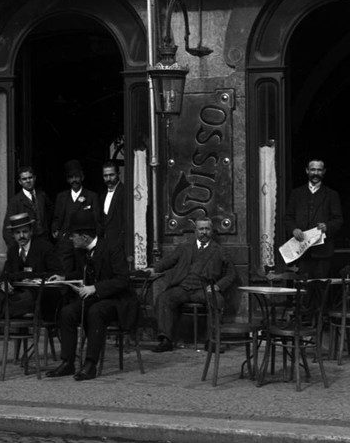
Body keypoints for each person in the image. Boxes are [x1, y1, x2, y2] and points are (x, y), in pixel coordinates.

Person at [0, 211, 65, 367]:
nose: (21, 236)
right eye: (17, 233)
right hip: (15, 296)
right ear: (13, 235)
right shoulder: (13, 250)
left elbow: (57, 272)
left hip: (37, 298)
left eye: (24, 232)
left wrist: (31, 277)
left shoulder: (44, 248)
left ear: (31, 231)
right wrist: (5, 285)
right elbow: (5, 276)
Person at [49, 214, 136, 381]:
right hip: (96, 298)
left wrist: (95, 288)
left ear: (84, 237)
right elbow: (81, 274)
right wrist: (64, 278)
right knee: (67, 312)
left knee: (95, 312)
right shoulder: (82, 251)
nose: (71, 240)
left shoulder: (113, 247)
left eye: (73, 236)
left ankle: (90, 364)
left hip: (117, 301)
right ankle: (67, 362)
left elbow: (122, 280)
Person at [146, 216, 235, 353]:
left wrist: (217, 286)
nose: (204, 232)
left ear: (212, 231)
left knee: (217, 301)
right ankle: (166, 340)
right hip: (183, 287)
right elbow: (169, 261)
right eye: (201, 229)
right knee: (164, 299)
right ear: (195, 231)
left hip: (204, 289)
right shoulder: (185, 247)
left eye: (207, 229)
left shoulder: (219, 251)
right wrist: (154, 269)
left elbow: (231, 274)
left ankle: (210, 341)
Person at [285, 158, 344, 281]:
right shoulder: (296, 194)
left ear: (324, 172)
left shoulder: (332, 195)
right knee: (303, 290)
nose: (315, 173)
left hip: (323, 252)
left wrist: (327, 226)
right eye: (313, 170)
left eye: (319, 170)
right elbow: (288, 217)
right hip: (301, 250)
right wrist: (294, 229)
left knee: (320, 289)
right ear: (307, 171)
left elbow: (338, 220)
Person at [50, 160, 96, 243]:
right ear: (68, 179)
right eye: (71, 177)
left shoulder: (92, 196)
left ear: (82, 177)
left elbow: (97, 221)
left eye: (77, 177)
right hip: (64, 242)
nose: (74, 180)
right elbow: (56, 218)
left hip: (83, 243)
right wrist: (56, 232)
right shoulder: (61, 197)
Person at [3, 166, 51, 242]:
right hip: (27, 243)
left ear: (34, 178)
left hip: (44, 241)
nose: (28, 181)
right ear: (20, 182)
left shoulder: (42, 196)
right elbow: (7, 230)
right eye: (24, 179)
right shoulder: (15, 201)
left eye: (30, 178)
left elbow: (50, 217)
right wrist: (17, 249)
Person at [97, 160, 128, 251]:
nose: (108, 179)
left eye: (111, 175)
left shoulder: (125, 193)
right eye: (105, 176)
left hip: (120, 246)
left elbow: (125, 221)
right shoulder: (102, 196)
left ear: (118, 174)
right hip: (106, 245)